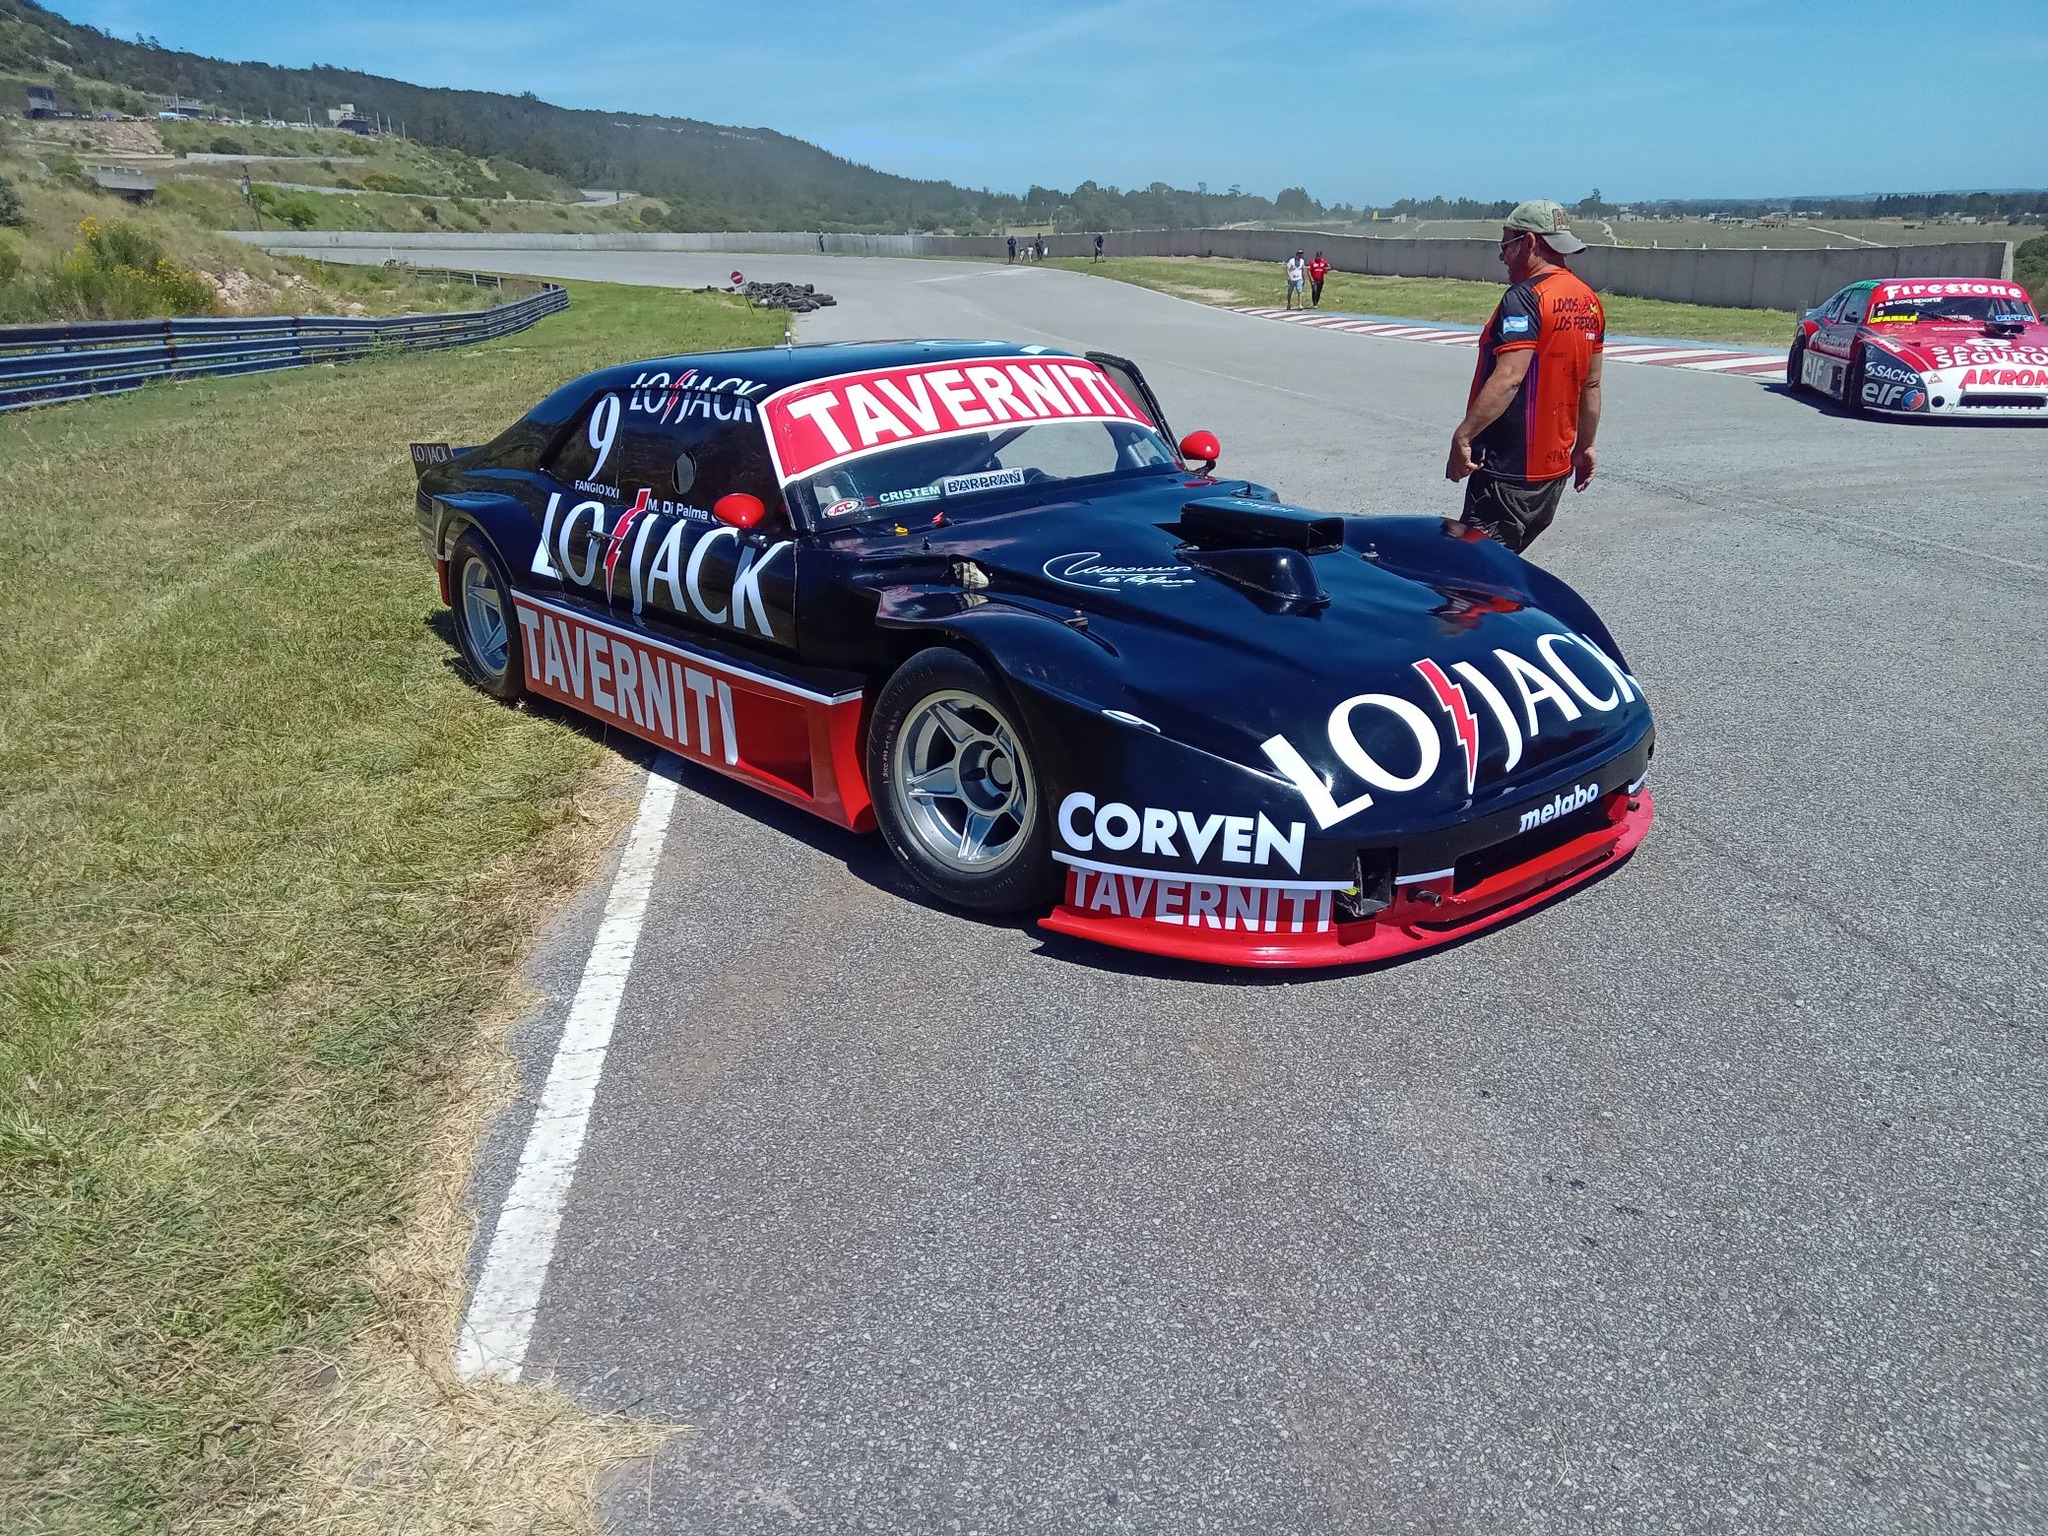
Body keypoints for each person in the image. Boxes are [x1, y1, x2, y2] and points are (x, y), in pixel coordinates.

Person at [1444, 199, 1604, 554]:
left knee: (1477, 572)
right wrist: (1585, 446)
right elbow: (1591, 384)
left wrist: (1464, 436)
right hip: (1554, 474)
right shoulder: (1589, 301)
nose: (1502, 256)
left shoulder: (1524, 298)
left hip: (1508, 472)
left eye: (1506, 245)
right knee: (1503, 564)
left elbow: (1509, 377)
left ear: (1529, 242)